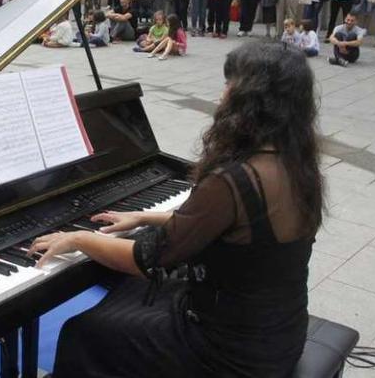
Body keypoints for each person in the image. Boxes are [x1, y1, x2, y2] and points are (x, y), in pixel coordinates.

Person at [39, 41, 321, 378]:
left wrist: (81, 239)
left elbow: (149, 258)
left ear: (252, 100)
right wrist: (144, 216)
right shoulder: (296, 162)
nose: (222, 95)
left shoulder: (233, 180)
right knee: (134, 294)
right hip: (279, 334)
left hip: (230, 354)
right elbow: (232, 228)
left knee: (82, 331)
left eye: (230, 84)